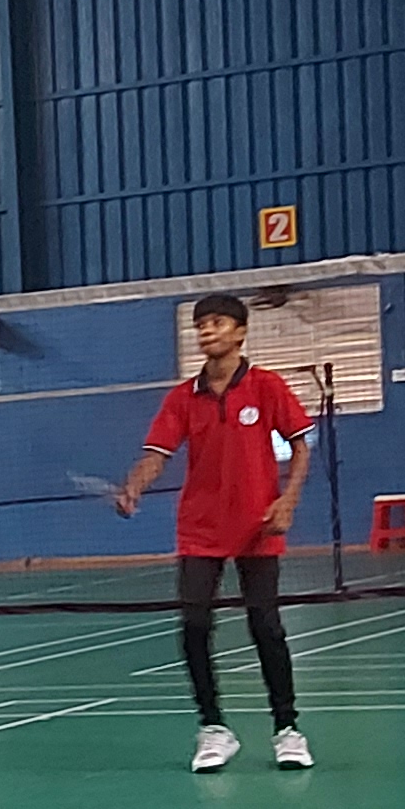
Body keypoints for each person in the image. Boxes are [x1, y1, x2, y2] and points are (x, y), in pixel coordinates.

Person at [112, 289, 314, 773]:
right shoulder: (183, 397)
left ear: (240, 332)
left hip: (258, 525)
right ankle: (213, 728)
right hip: (200, 527)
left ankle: (287, 729)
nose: (207, 331)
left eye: (218, 323)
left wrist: (287, 500)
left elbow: (301, 446)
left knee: (266, 626)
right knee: (195, 626)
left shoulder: (266, 386)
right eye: (201, 324)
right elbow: (157, 453)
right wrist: (135, 485)